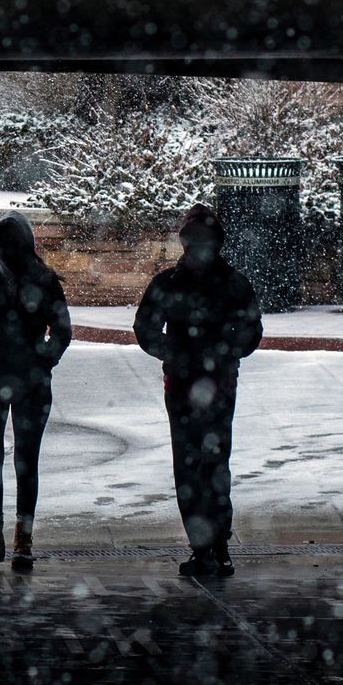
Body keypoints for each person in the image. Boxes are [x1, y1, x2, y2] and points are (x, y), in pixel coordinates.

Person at [133, 204, 264, 578]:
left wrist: (174, 354)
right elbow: (251, 333)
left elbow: (145, 329)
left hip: (187, 382)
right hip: (214, 383)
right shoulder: (232, 282)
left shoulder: (170, 283)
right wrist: (222, 354)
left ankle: (205, 546)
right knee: (214, 463)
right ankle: (216, 545)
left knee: (190, 465)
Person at [0, 212, 71, 569]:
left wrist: (42, 361)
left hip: (28, 382)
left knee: (25, 460)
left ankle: (21, 537)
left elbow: (62, 331)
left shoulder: (44, 282)